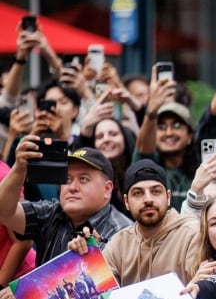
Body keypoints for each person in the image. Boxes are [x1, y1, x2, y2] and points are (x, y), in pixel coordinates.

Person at [67, 159, 200, 286]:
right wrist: (85, 259)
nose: (148, 199)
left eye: (156, 191)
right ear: (126, 202)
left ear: (168, 197)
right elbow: (100, 295)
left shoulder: (191, 234)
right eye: (138, 193)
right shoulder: (119, 243)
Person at [0, 143, 131, 266]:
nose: (72, 187)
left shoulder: (123, 234)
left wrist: (89, 259)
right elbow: (4, 212)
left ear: (107, 189)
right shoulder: (52, 212)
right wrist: (19, 168)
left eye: (83, 179)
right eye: (67, 179)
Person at [135, 74, 198, 210]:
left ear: (189, 136)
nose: (169, 133)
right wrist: (151, 112)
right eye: (161, 127)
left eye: (176, 126)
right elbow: (143, 148)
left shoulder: (201, 170)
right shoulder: (148, 168)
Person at [73, 111, 137, 216]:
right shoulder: (88, 177)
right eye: (100, 136)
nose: (106, 139)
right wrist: (85, 129)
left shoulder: (136, 168)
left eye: (113, 134)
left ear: (125, 138)